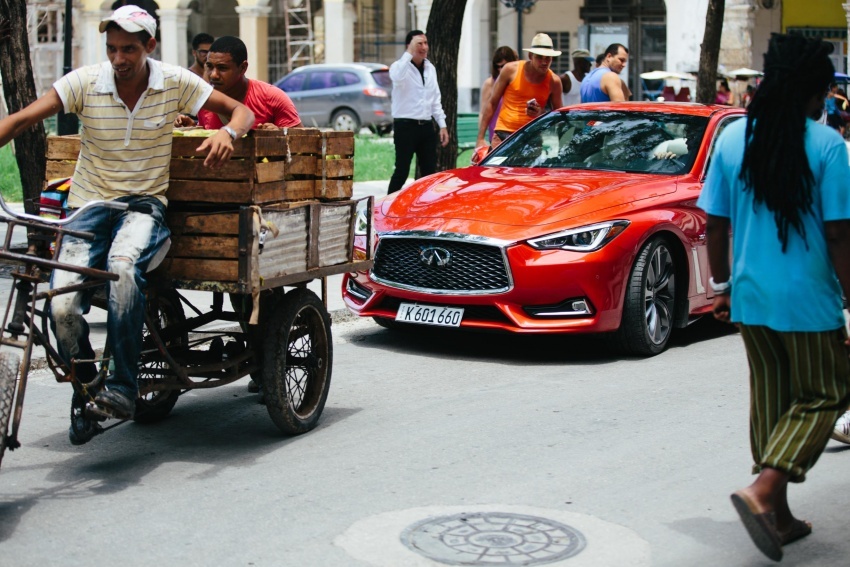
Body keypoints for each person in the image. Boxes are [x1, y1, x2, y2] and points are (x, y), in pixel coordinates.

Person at [0, 5, 254, 436]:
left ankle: (122, 384)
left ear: (149, 46)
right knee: (61, 304)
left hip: (143, 208)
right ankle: (87, 393)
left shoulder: (174, 81)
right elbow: (24, 118)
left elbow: (240, 112)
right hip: (88, 207)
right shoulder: (85, 81)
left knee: (122, 270)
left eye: (129, 49)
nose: (119, 59)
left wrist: (226, 133)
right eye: (112, 48)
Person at [698, 33, 850, 562]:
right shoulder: (829, 146)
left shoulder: (733, 138)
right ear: (813, 92)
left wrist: (720, 288)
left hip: (751, 297)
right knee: (828, 392)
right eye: (825, 93)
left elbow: (715, 224)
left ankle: (778, 516)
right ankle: (764, 491)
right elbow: (838, 236)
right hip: (807, 301)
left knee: (772, 397)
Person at [175, 36, 301, 130]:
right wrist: (193, 128)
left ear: (242, 68)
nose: (213, 74)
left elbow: (302, 145)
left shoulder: (272, 97)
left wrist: (279, 135)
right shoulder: (205, 101)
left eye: (222, 68)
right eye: (209, 66)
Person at [475, 33, 563, 150]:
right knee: (497, 169)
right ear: (530, 56)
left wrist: (541, 113)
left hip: (533, 137)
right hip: (503, 134)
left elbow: (558, 116)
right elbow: (492, 102)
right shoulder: (511, 70)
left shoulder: (554, 81)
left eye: (548, 58)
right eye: (539, 57)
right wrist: (480, 138)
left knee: (527, 169)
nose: (544, 62)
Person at [387, 30, 449, 195]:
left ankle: (424, 206)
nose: (424, 47)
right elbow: (396, 77)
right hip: (405, 126)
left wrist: (442, 125)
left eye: (425, 43)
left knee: (429, 172)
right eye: (419, 43)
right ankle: (384, 208)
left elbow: (435, 100)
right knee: (402, 170)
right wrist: (408, 53)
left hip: (426, 126)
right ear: (409, 46)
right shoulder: (400, 67)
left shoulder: (430, 68)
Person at [480, 46, 518, 142]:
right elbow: (482, 112)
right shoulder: (490, 83)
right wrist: (481, 138)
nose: (501, 70)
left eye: (504, 66)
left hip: (516, 133)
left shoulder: (518, 82)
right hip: (496, 135)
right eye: (498, 66)